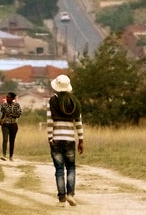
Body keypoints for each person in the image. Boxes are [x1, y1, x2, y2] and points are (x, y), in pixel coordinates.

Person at [47, 74, 83, 207]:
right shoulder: (75, 103)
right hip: (70, 140)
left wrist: (50, 138)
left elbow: (50, 122)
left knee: (59, 170)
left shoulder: (52, 101)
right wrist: (81, 140)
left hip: (56, 139)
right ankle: (70, 194)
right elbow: (78, 123)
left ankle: (62, 199)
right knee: (71, 168)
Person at [0, 92, 22, 161]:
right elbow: (3, 113)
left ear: (12, 98)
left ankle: (11, 156)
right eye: (7, 97)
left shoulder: (17, 105)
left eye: (9, 97)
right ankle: (4, 155)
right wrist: (1, 120)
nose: (7, 98)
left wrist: (11, 115)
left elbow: (18, 114)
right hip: (5, 124)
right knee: (5, 139)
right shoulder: (4, 105)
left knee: (12, 141)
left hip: (13, 124)